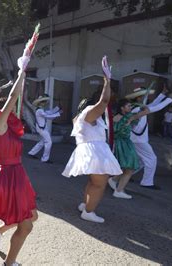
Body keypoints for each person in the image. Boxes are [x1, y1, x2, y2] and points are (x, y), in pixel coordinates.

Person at [0, 71, 38, 266]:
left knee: (32, 216)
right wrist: (23, 70)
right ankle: (9, 263)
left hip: (17, 173)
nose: (14, 113)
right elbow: (14, 97)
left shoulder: (8, 129)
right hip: (8, 176)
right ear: (2, 112)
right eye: (10, 110)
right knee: (26, 225)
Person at [62, 56, 122, 223]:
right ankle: (89, 211)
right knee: (99, 184)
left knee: (94, 181)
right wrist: (107, 81)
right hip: (94, 151)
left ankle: (86, 205)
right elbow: (104, 101)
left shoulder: (82, 116)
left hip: (92, 150)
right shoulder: (89, 112)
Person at [119, 86, 172, 190]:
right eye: (145, 95)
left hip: (136, 139)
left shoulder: (136, 107)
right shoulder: (136, 108)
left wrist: (162, 94)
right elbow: (156, 107)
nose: (147, 96)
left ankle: (124, 175)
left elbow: (152, 105)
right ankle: (147, 182)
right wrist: (169, 99)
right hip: (139, 141)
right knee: (151, 159)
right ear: (139, 98)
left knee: (140, 161)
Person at [108, 98, 150, 199]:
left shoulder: (114, 117)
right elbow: (147, 111)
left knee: (125, 166)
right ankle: (119, 190)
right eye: (128, 106)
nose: (130, 108)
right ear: (122, 108)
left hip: (116, 143)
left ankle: (114, 180)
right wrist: (140, 104)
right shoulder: (129, 117)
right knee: (130, 167)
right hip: (125, 144)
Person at [26, 94, 61, 163]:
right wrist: (58, 113)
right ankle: (45, 159)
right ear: (41, 102)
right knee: (49, 142)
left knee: (42, 142)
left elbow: (49, 112)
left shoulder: (41, 109)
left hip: (42, 128)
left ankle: (31, 153)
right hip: (41, 129)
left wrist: (57, 109)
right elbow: (48, 116)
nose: (46, 103)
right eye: (44, 102)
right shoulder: (39, 111)